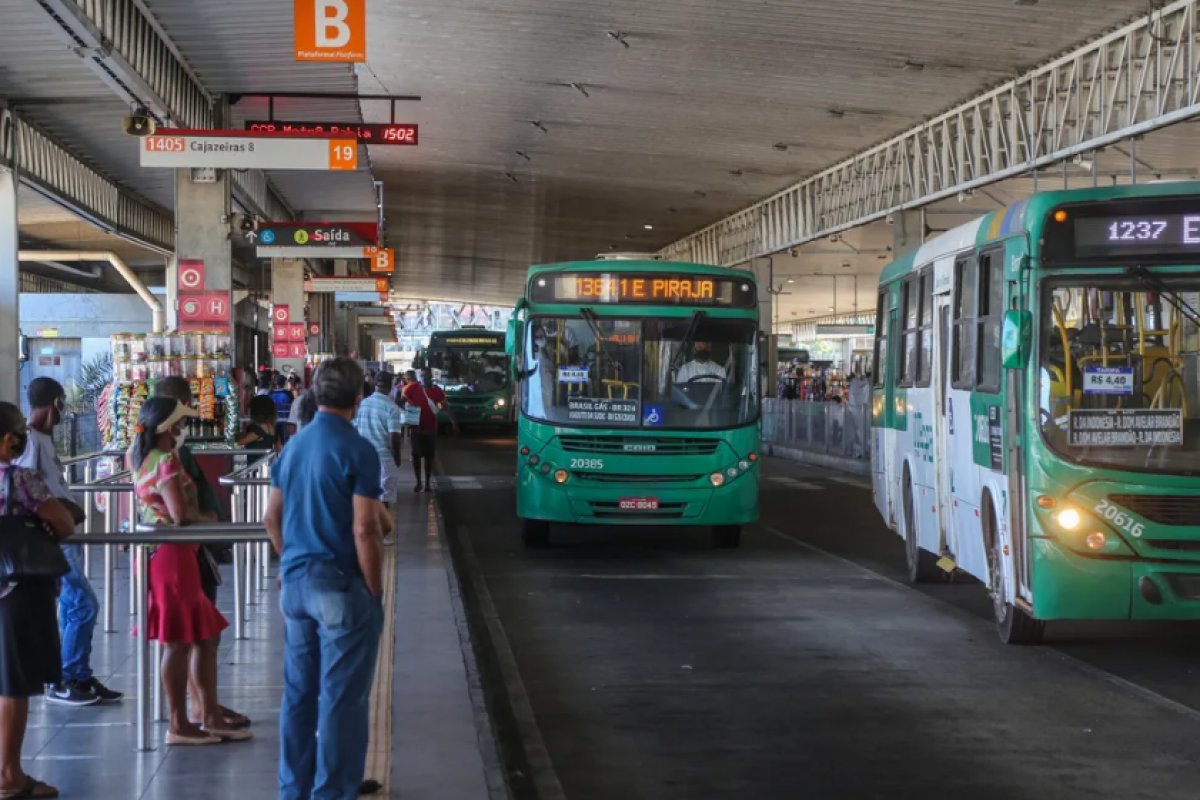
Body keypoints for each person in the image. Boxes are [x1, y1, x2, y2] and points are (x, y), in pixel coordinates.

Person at [264, 357, 391, 800]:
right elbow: (365, 528)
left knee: (298, 695)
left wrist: (294, 563)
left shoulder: (293, 447)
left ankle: (292, 790)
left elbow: (271, 519)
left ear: (316, 394)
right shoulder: (359, 450)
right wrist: (374, 589)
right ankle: (333, 791)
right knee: (341, 699)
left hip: (295, 585)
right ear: (358, 398)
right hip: (340, 586)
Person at [130, 398, 252, 746]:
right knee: (180, 640)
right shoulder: (166, 461)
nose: (182, 431)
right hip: (174, 555)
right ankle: (180, 722)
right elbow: (180, 514)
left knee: (201, 636)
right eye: (179, 425)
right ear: (166, 427)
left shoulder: (140, 458)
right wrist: (210, 519)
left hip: (165, 556)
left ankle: (206, 714)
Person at [16, 378, 120, 707]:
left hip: (63, 535)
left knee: (71, 606)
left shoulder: (43, 441)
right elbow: (26, 491)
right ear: (54, 404)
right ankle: (66, 675)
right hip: (52, 539)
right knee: (83, 604)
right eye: (62, 403)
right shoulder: (31, 442)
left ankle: (76, 673)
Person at [0, 401, 76, 799]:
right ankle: (9, 775)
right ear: (9, 440)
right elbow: (63, 523)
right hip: (16, 591)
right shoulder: (20, 480)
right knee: (13, 684)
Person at [353, 373, 404, 507]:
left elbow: (355, 430)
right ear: (390, 386)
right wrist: (397, 459)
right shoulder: (392, 408)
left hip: (365, 458)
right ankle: (381, 527)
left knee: (367, 497)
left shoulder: (363, 404)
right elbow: (394, 437)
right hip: (384, 460)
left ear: (375, 385)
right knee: (383, 500)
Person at [402, 369, 457, 493]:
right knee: (416, 456)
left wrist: (453, 421)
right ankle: (418, 483)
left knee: (429, 457)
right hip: (416, 429)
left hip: (430, 429)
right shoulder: (412, 388)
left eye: (426, 376)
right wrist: (407, 413)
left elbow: (445, 407)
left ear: (431, 377)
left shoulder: (437, 391)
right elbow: (400, 401)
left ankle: (427, 483)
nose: (423, 378)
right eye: (421, 376)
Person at [269, 375, 295, 445]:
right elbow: (292, 405)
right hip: (285, 420)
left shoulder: (270, 393)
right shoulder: (288, 393)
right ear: (284, 383)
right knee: (286, 441)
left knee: (273, 441)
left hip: (273, 421)